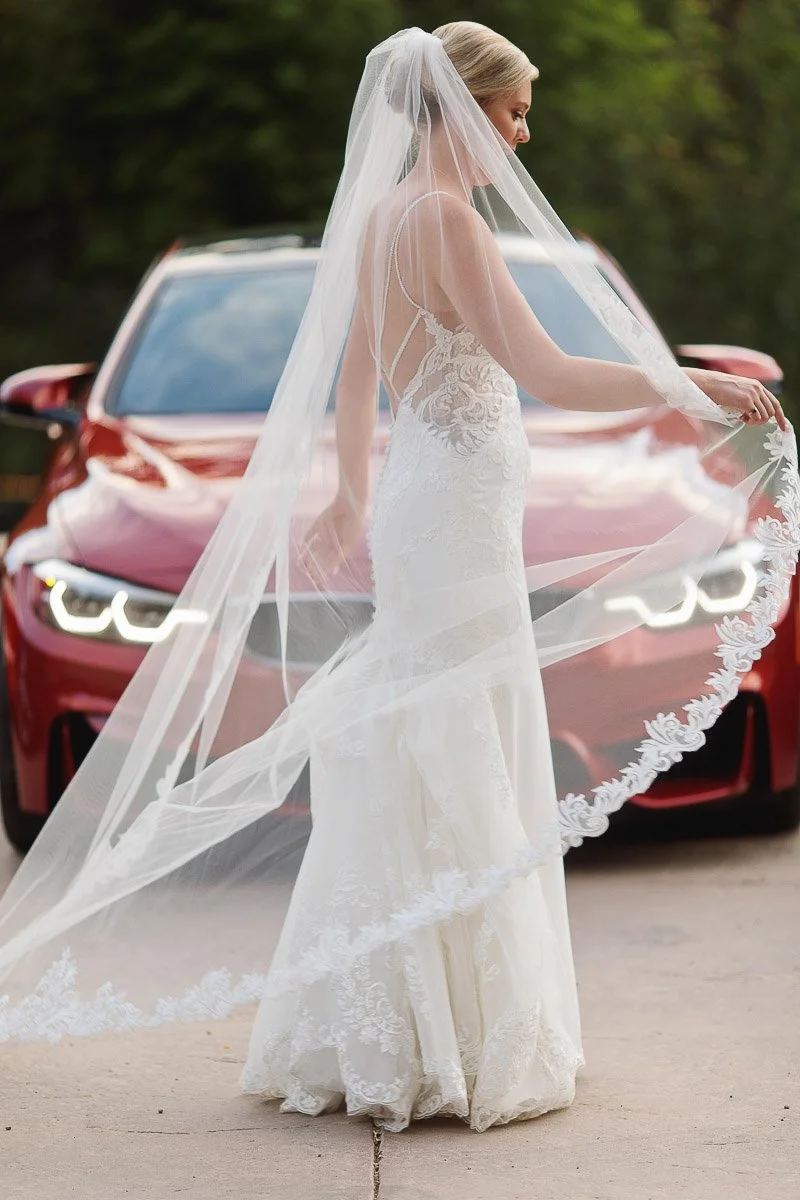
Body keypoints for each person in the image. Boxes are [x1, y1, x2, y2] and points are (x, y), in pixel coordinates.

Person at [0, 23, 795, 1137]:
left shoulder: (379, 220)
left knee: (426, 722)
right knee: (455, 729)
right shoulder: (449, 227)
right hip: (459, 506)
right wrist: (690, 388)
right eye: (513, 111)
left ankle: (378, 1024)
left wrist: (350, 497)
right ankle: (456, 1038)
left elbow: (358, 375)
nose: (524, 134)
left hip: (433, 499)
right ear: (462, 110)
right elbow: (546, 370)